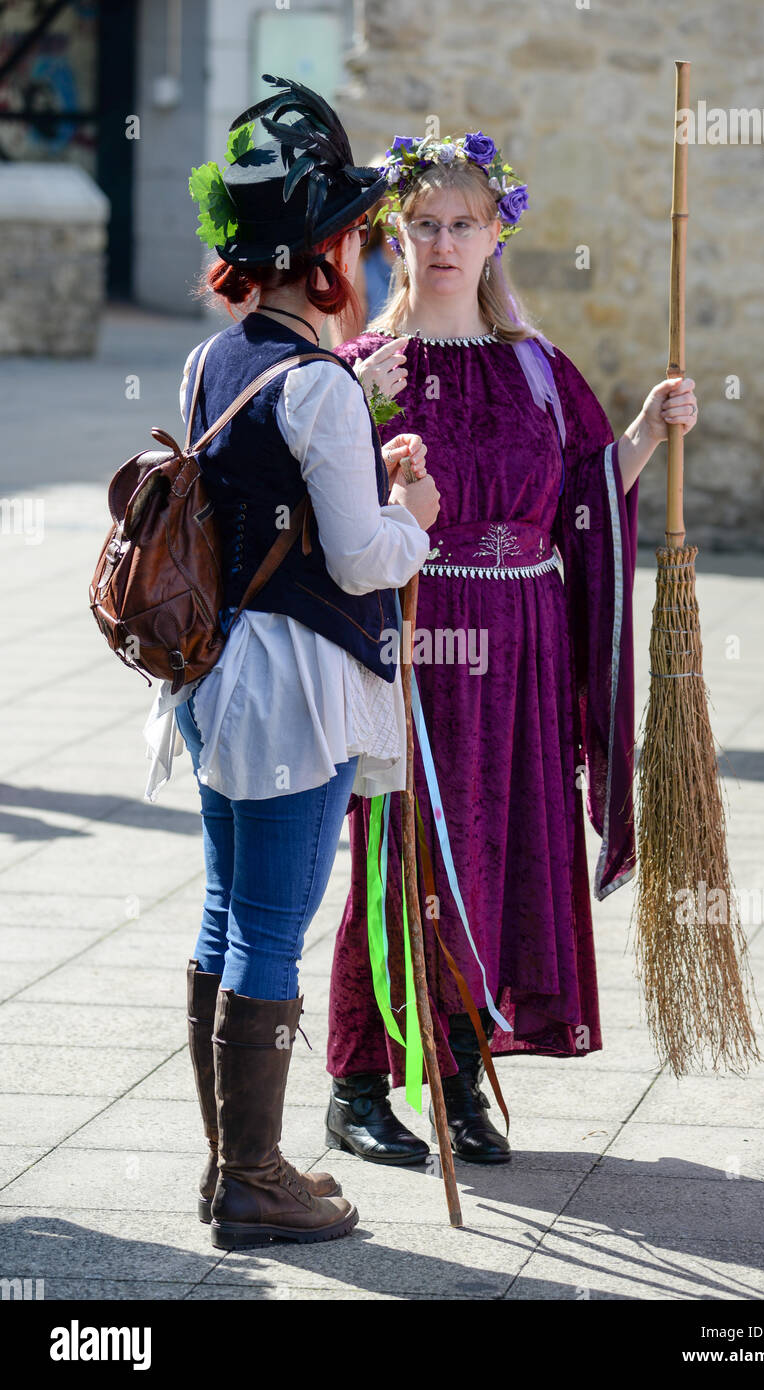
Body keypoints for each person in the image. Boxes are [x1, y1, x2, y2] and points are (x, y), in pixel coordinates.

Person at [323, 131, 698, 1165]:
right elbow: (325, 517)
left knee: (496, 853)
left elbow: (583, 497)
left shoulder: (538, 370)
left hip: (524, 648)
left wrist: (646, 432)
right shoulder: (366, 369)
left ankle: (456, 1066)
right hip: (416, 643)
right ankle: (356, 1084)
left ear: (497, 238)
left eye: (463, 224)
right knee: (401, 861)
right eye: (425, 224)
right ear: (397, 238)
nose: (443, 242)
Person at [141, 78, 439, 1247]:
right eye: (353, 234)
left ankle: (233, 1167)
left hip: (218, 678)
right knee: (268, 924)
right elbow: (367, 560)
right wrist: (411, 504)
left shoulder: (214, 361)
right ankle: (256, 1177)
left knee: (224, 912)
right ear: (322, 253)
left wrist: (358, 439)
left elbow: (265, 489)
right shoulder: (316, 386)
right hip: (296, 687)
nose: (359, 252)